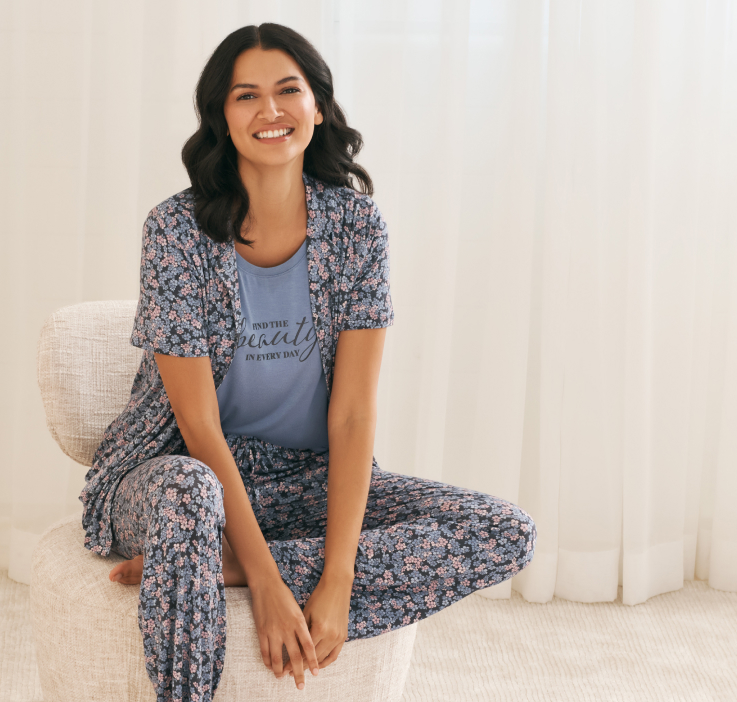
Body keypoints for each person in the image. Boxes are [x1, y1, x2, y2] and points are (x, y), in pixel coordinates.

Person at [79, 23, 537, 702]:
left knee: (502, 530)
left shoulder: (356, 229)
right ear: (221, 117)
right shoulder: (175, 232)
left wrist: (337, 577)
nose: (270, 110)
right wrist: (269, 585)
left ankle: (211, 564)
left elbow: (352, 415)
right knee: (191, 497)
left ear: (317, 107)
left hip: (302, 482)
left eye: (287, 90)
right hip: (174, 479)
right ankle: (203, 572)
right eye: (246, 95)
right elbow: (198, 426)